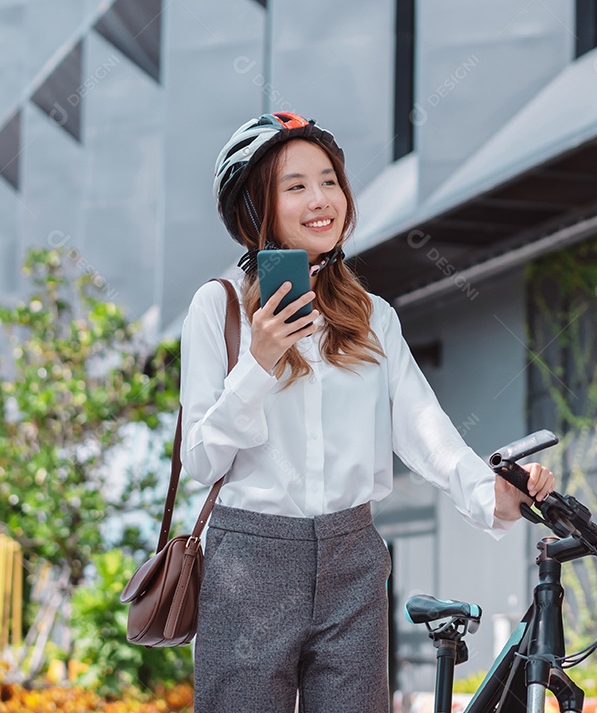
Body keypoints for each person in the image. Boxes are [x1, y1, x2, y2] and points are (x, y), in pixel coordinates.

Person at [181, 111, 555, 712]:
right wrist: (259, 361)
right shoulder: (218, 309)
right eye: (295, 186)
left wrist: (491, 493)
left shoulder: (372, 315)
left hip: (352, 557)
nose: (320, 199)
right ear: (255, 207)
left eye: (328, 180)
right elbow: (202, 460)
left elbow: (425, 430)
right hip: (249, 564)